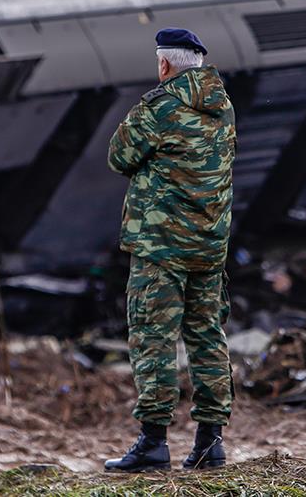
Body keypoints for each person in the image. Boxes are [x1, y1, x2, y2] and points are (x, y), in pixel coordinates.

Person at [103, 28, 236, 472]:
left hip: (161, 246)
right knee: (207, 335)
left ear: (164, 65)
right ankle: (210, 443)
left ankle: (154, 441)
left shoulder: (159, 107)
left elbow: (119, 156)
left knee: (153, 336)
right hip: (210, 245)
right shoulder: (223, 106)